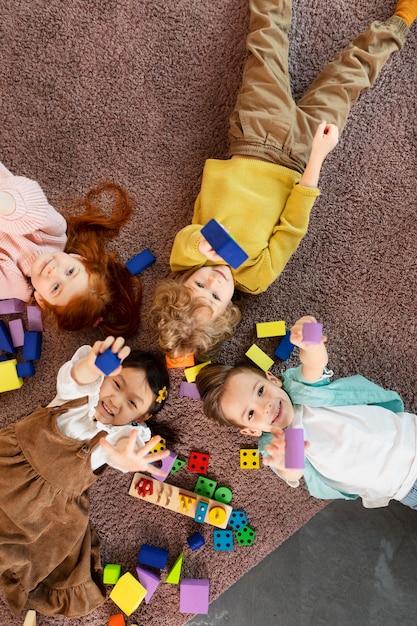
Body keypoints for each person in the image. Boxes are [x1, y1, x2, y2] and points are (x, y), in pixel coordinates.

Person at [150, 0, 417, 361]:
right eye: (214, 297)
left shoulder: (185, 255)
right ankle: (401, 22)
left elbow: (187, 239)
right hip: (302, 155)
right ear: (228, 309)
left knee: (265, 44)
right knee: (350, 78)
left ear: (183, 279)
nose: (213, 282)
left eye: (199, 284)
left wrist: (201, 249)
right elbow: (292, 227)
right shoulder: (255, 277)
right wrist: (318, 157)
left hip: (254, 135)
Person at [0, 335, 171, 618]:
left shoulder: (122, 434)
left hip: (48, 505)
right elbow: (77, 375)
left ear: (140, 419)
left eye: (131, 403)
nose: (116, 400)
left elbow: (123, 449)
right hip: (11, 460)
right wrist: (93, 364)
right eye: (116, 384)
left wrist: (124, 459)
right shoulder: (79, 394)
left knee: (33, 549)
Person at [196, 314, 417, 510]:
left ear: (273, 379)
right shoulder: (276, 445)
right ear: (251, 432)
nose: (265, 407)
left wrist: (310, 342)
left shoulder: (300, 389)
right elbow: (293, 474)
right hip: (401, 484)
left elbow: (314, 365)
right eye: (251, 414)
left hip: (409, 436)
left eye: (261, 391)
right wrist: (285, 462)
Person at [0, 161, 142, 335]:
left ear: (42, 300)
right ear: (77, 258)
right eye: (70, 271)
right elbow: (28, 198)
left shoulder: (14, 285)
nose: (54, 271)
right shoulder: (56, 232)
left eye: (55, 287)